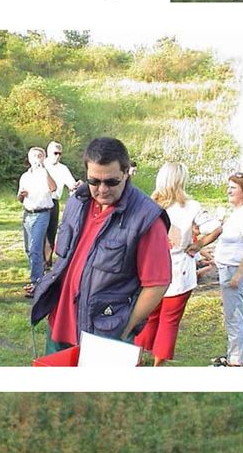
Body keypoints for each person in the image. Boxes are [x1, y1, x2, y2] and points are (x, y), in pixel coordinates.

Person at [32, 137, 171, 353]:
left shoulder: (146, 218)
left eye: (111, 182)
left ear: (126, 172)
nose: (102, 189)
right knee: (54, 388)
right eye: (94, 181)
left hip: (105, 336)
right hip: (59, 325)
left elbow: (157, 283)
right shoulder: (78, 201)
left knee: (98, 389)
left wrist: (125, 328)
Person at [138, 163, 202, 366]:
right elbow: (216, 228)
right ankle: (158, 365)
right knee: (170, 321)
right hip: (179, 268)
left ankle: (136, 359)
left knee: (148, 316)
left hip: (153, 269)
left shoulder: (148, 204)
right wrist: (198, 245)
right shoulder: (192, 206)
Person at [192, 172, 243, 368]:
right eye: (228, 186)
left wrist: (239, 273)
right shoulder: (237, 212)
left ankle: (236, 361)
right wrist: (198, 245)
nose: (228, 190)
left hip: (234, 271)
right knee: (233, 314)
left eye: (233, 188)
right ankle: (234, 353)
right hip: (228, 269)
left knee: (234, 315)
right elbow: (219, 232)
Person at [18, 147, 57, 300]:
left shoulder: (45, 174)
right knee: (29, 249)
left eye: (40, 156)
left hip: (42, 213)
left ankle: (37, 282)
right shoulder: (25, 176)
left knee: (35, 248)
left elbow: (53, 188)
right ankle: (39, 275)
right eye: (34, 156)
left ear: (44, 157)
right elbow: (19, 198)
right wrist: (21, 195)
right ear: (29, 159)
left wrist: (45, 170)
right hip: (28, 213)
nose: (37, 158)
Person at [44, 142, 78, 261]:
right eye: (55, 153)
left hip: (54, 201)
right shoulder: (42, 165)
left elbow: (71, 184)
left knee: (51, 232)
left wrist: (76, 185)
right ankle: (39, 261)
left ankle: (47, 262)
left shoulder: (63, 169)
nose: (57, 156)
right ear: (48, 153)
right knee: (39, 234)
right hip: (41, 200)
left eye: (60, 154)